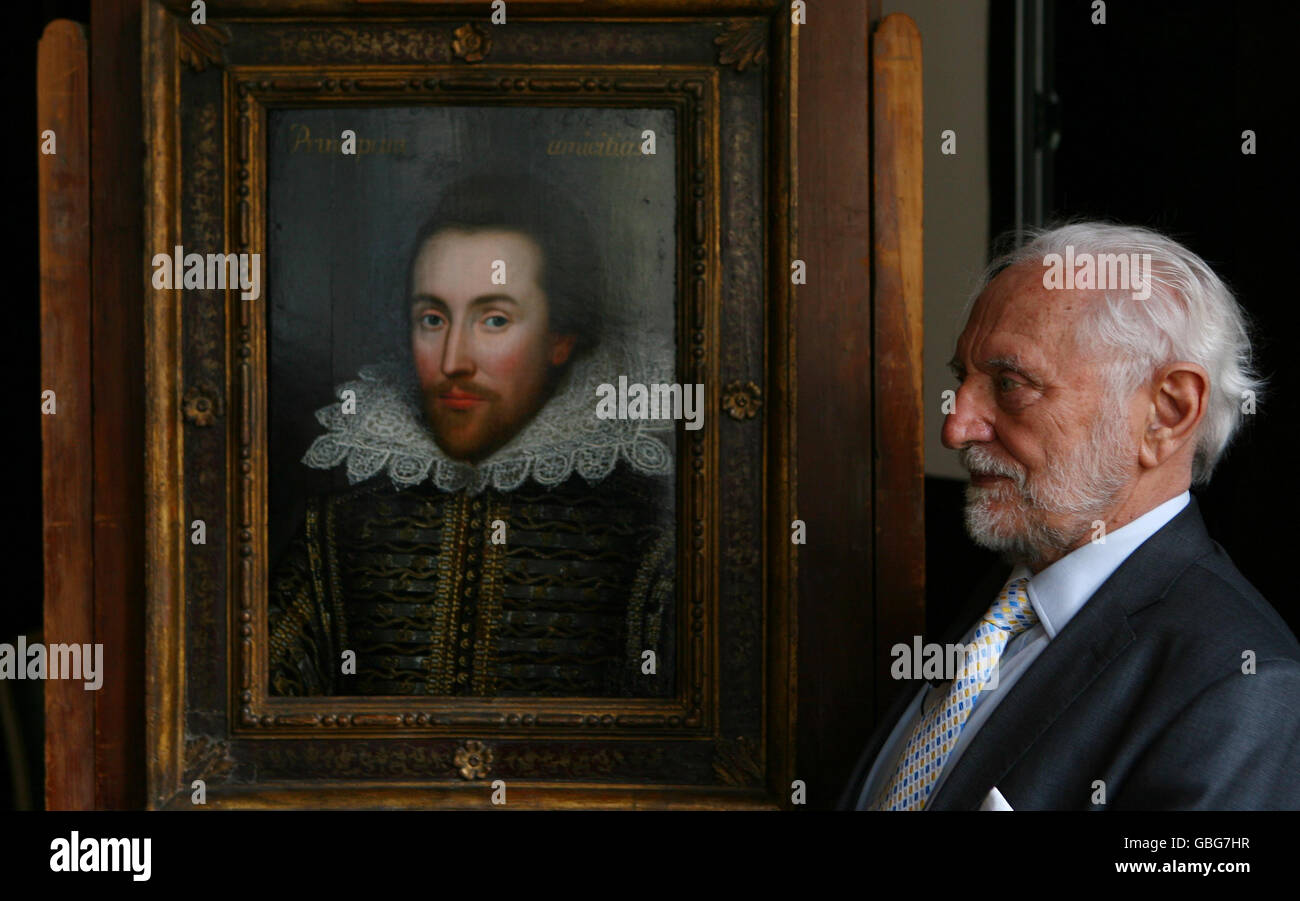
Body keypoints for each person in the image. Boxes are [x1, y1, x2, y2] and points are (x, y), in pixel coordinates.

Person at [841, 222, 1300, 810]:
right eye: (964, 379)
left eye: (1010, 384)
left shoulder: (1240, 687)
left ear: (1167, 413)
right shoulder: (992, 597)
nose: (955, 428)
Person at [268, 174, 677, 698]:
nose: (452, 362)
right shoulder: (336, 527)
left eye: (495, 319)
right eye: (433, 318)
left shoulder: (649, 535)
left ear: (560, 338)